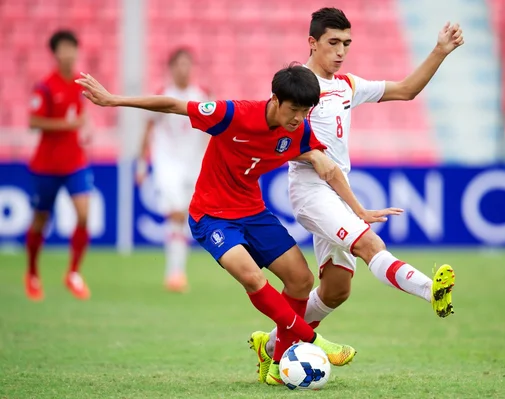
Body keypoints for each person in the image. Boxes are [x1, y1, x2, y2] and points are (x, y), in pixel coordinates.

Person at [76, 64, 398, 385]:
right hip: (211, 216)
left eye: (306, 111)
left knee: (301, 279)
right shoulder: (232, 114)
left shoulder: (298, 131)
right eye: (294, 109)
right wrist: (113, 99)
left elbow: (327, 167)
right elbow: (174, 105)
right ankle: (315, 341)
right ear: (275, 100)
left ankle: (273, 361)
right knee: (253, 277)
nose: (299, 118)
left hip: (253, 213)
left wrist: (357, 208)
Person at [251, 8, 464, 378]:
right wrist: (357, 208)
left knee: (336, 291)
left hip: (337, 188)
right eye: (333, 43)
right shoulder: (296, 89)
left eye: (346, 44)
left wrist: (440, 51)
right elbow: (273, 130)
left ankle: (270, 345)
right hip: (311, 191)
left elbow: (407, 90)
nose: (340, 51)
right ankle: (431, 291)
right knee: (369, 245)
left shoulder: (347, 85)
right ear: (312, 43)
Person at [25, 30, 92, 301]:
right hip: (47, 165)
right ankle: (32, 273)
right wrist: (67, 125)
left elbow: (81, 116)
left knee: (84, 214)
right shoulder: (45, 86)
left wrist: (86, 127)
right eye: (63, 49)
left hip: (74, 162)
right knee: (41, 219)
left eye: (72, 48)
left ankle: (73, 273)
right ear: (55, 53)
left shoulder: (80, 84)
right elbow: (33, 123)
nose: (68, 53)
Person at [137, 48, 210, 292]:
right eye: (179, 64)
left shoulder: (201, 95)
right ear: (171, 68)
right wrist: (141, 163)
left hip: (194, 165)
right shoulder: (163, 95)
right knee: (176, 214)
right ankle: (175, 273)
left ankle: (176, 271)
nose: (183, 69)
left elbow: (211, 132)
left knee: (187, 219)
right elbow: (148, 129)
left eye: (187, 64)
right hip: (167, 163)